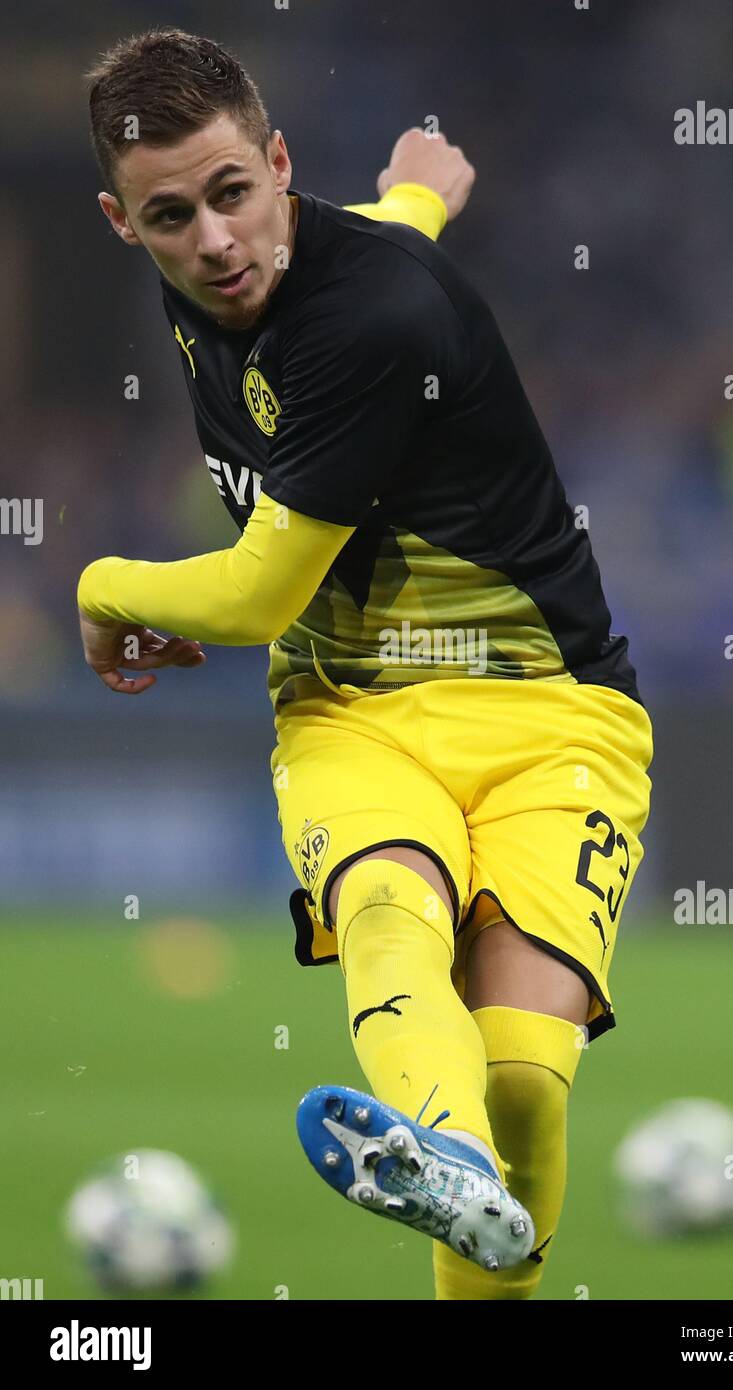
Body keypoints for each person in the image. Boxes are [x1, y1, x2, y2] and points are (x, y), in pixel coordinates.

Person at [78, 28, 653, 1299]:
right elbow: (383, 230)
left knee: (521, 1082)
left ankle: (463, 1140)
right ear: (124, 224)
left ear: (279, 164)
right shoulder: (275, 264)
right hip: (350, 710)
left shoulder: (369, 315)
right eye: (171, 216)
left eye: (235, 194)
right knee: (391, 904)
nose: (218, 242)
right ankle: (434, 1149)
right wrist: (416, 194)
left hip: (552, 710)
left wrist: (100, 590)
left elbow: (253, 590)